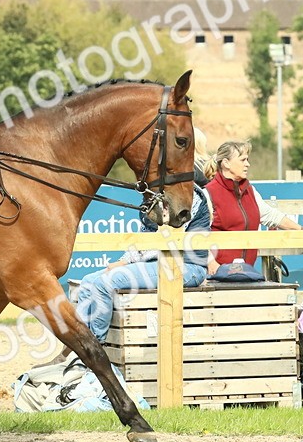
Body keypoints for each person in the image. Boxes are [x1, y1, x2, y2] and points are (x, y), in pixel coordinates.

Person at [73, 138, 214, 344]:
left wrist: (125, 263)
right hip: (159, 262)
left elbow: (167, 242)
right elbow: (143, 238)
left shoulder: (188, 196)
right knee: (87, 284)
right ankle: (81, 351)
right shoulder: (155, 196)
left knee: (104, 284)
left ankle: (96, 351)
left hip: (187, 266)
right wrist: (124, 260)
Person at [203, 140, 303, 274]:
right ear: (226, 163)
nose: (247, 164)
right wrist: (211, 263)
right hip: (217, 274)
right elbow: (196, 233)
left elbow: (272, 216)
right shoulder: (208, 194)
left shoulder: (250, 190)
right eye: (243, 160)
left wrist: (302, 230)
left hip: (246, 271)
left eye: (247, 160)